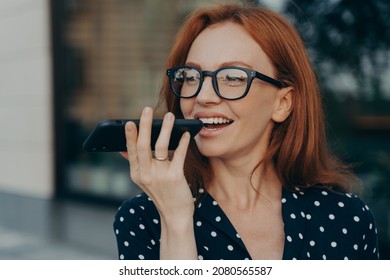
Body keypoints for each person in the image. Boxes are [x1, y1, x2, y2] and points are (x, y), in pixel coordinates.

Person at [113, 3, 379, 260]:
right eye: (191, 77)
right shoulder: (143, 218)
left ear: (282, 103)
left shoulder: (346, 216)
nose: (203, 96)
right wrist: (175, 219)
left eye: (232, 78)